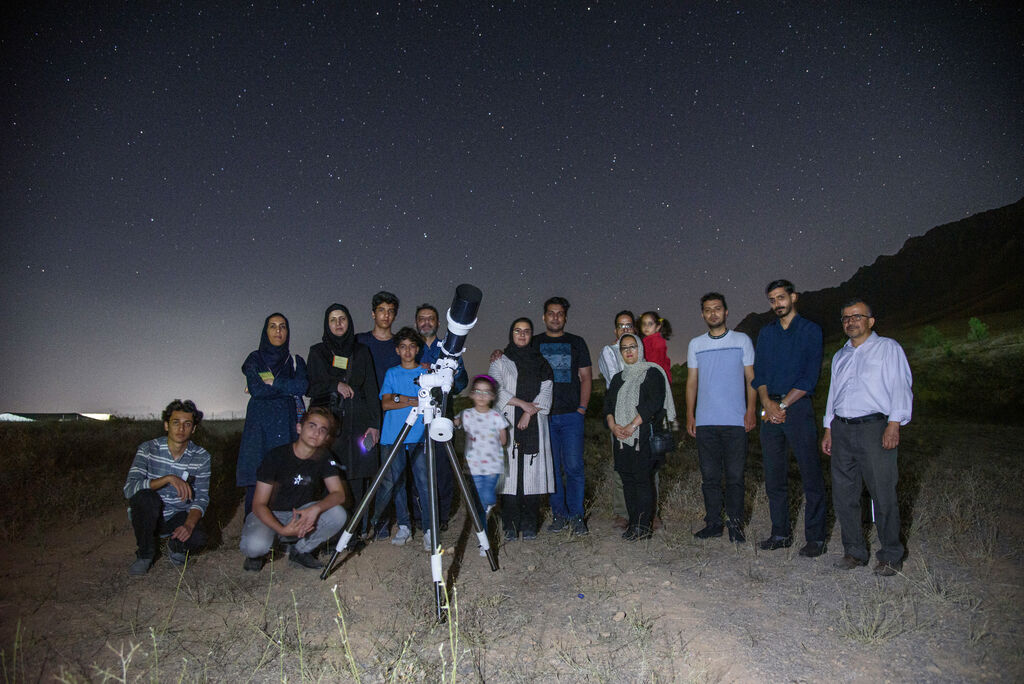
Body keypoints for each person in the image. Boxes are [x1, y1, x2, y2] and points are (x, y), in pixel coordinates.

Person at [821, 299, 913, 576]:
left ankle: (890, 555)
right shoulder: (841, 355)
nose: (851, 321)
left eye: (857, 316)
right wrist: (828, 428)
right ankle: (854, 552)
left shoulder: (888, 349)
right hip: (842, 428)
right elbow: (833, 394)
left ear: (870, 321)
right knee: (844, 494)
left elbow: (900, 386)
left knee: (882, 493)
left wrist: (894, 423)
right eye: (846, 318)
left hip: (875, 427)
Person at [751, 280, 828, 557]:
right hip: (769, 408)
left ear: (793, 297)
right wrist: (767, 404)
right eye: (772, 299)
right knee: (774, 475)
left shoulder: (810, 330)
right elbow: (759, 374)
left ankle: (816, 538)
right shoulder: (766, 333)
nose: (777, 304)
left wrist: (781, 405)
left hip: (797, 408)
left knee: (810, 474)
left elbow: (809, 378)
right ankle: (780, 532)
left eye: (781, 298)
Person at [240, 407, 348, 571]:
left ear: (326, 437)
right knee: (255, 546)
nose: (316, 433)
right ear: (299, 428)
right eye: (312, 426)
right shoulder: (276, 456)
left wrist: (315, 509)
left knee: (338, 514)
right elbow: (258, 504)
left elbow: (339, 494)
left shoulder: (325, 457)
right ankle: (259, 554)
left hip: (301, 514)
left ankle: (300, 551)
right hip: (270, 514)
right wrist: (282, 529)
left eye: (322, 430)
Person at [685, 293, 756, 542]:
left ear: (726, 312)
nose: (713, 313)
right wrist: (690, 414)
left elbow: (751, 379)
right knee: (710, 477)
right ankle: (713, 523)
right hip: (705, 422)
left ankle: (735, 525)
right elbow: (692, 382)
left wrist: (750, 410)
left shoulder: (742, 340)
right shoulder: (696, 344)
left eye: (717, 309)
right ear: (703, 314)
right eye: (707, 309)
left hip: (736, 421)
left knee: (736, 476)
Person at [306, 303, 381, 533]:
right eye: (333, 319)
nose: (338, 324)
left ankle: (354, 532)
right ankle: (330, 534)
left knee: (357, 479)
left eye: (342, 319)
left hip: (358, 425)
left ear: (349, 322)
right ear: (327, 325)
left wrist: (374, 425)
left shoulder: (361, 352)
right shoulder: (318, 351)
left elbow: (370, 389)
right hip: (329, 427)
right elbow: (311, 385)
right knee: (330, 477)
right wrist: (334, 385)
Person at [124, 399, 211, 575]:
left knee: (199, 536)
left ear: (193, 429)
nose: (181, 429)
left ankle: (176, 546)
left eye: (187, 424)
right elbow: (129, 488)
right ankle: (145, 555)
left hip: (178, 514)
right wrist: (168, 479)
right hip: (150, 516)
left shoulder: (202, 456)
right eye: (175, 423)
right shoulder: (148, 448)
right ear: (166, 425)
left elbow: (202, 497)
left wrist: (188, 525)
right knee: (145, 498)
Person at [603, 333, 674, 540]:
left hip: (642, 437)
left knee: (642, 480)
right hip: (621, 439)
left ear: (640, 348)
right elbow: (608, 405)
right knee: (627, 480)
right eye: (624, 348)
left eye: (632, 346)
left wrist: (632, 426)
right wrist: (613, 426)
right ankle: (633, 523)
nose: (629, 351)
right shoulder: (618, 378)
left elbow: (654, 403)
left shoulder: (652, 373)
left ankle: (643, 527)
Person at [237, 313, 308, 517]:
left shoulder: (295, 360)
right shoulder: (254, 359)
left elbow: (302, 386)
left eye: (282, 326)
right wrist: (288, 388)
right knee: (257, 479)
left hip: (286, 425)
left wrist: (275, 383)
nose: (278, 331)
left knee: (285, 478)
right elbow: (256, 389)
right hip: (259, 429)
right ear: (265, 331)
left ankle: (285, 533)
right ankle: (254, 534)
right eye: (273, 326)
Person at [490, 318, 554, 540]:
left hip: (534, 423)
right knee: (509, 477)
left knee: (531, 475)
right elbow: (495, 390)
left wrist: (529, 412)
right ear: (511, 333)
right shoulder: (500, 362)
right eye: (518, 330)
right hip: (507, 424)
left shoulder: (541, 362)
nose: (522, 335)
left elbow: (546, 391)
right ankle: (509, 524)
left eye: (527, 331)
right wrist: (521, 404)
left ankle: (529, 524)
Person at [370, 327, 434, 549]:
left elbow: (430, 403)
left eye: (412, 346)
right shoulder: (392, 373)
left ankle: (428, 529)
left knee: (424, 483)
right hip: (393, 435)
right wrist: (412, 400)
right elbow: (386, 402)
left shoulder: (426, 374)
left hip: (418, 435)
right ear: (397, 350)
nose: (408, 351)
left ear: (417, 349)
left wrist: (399, 398)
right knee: (396, 483)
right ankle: (404, 526)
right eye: (403, 347)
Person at [534, 297, 593, 535]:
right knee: (552, 469)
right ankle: (559, 515)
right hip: (544, 415)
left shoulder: (576, 342)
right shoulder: (534, 342)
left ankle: (577, 515)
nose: (555, 317)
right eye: (551, 313)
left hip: (571, 416)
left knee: (574, 467)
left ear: (565, 317)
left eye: (560, 313)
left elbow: (586, 378)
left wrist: (581, 410)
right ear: (544, 316)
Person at [411, 303, 469, 533]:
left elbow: (461, 385)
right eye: (422, 318)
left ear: (438, 323)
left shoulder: (448, 349)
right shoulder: (409, 347)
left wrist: (457, 374)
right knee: (417, 467)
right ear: (416, 323)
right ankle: (419, 514)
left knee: (443, 468)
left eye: (431, 318)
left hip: (443, 414)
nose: (426, 322)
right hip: (415, 416)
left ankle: (441, 514)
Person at [455, 375, 509, 553]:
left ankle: (490, 505)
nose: (481, 395)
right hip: (473, 466)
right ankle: (483, 542)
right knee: (480, 505)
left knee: (487, 498)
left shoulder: (496, 416)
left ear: (492, 396)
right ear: (471, 394)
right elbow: (455, 423)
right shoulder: (467, 414)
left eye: (486, 392)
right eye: (477, 391)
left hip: (492, 465)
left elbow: (503, 439)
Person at [598, 310, 637, 530]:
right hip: (620, 413)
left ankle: (650, 510)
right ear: (615, 330)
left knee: (648, 464)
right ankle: (623, 513)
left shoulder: (641, 351)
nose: (625, 330)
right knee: (622, 464)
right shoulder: (608, 351)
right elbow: (617, 379)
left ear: (634, 329)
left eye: (629, 326)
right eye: (621, 326)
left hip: (642, 414)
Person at [356, 291, 401, 390]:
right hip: (365, 401)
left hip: (392, 401)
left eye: (390, 311)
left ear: (395, 316)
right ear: (373, 314)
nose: (386, 315)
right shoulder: (359, 340)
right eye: (381, 310)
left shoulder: (401, 344)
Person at [639, 311, 673, 381]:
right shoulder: (645, 340)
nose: (646, 326)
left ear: (658, 327)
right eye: (644, 324)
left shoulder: (658, 340)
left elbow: (656, 361)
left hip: (657, 375)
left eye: (650, 324)